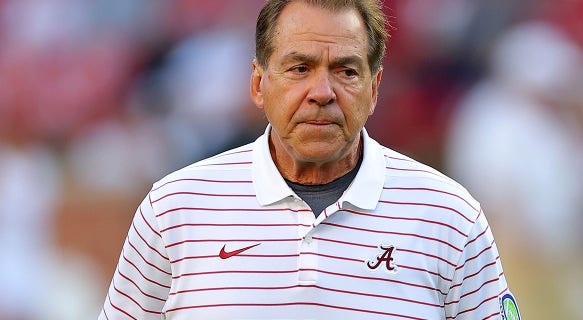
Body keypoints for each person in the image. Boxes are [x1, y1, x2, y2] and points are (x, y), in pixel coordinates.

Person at [99, 0, 519, 319]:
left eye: (346, 71)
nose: (322, 91)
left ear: (374, 89)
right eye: (300, 68)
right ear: (259, 84)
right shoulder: (176, 207)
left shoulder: (450, 217)